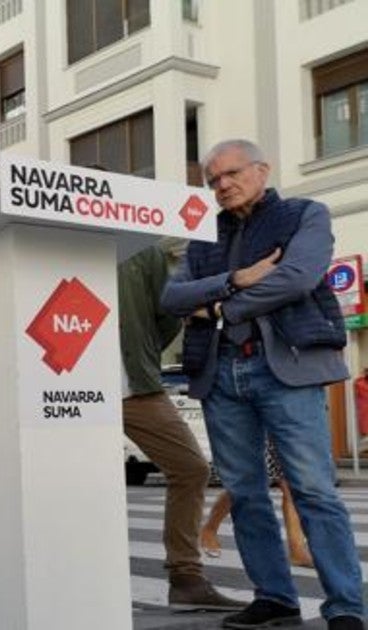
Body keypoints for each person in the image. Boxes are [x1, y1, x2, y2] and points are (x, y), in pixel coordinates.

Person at [162, 139, 363, 630]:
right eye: (213, 180)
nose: (222, 185)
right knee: (244, 492)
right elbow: (171, 295)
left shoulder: (304, 214)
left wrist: (220, 307)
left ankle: (346, 608)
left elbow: (296, 277)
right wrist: (236, 279)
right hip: (221, 372)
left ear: (262, 169)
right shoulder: (203, 236)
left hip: (285, 369)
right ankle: (275, 596)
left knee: (314, 490)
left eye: (231, 173)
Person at [118, 242, 246, 611]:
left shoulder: (140, 249)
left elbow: (168, 311)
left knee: (191, 467)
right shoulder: (51, 229)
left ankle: (186, 577)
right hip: (63, 380)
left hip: (132, 382)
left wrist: (138, 350)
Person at [200, 441, 314, 568]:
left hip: (285, 429)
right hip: (259, 429)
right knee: (245, 483)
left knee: (291, 487)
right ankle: (210, 527)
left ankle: (297, 551)